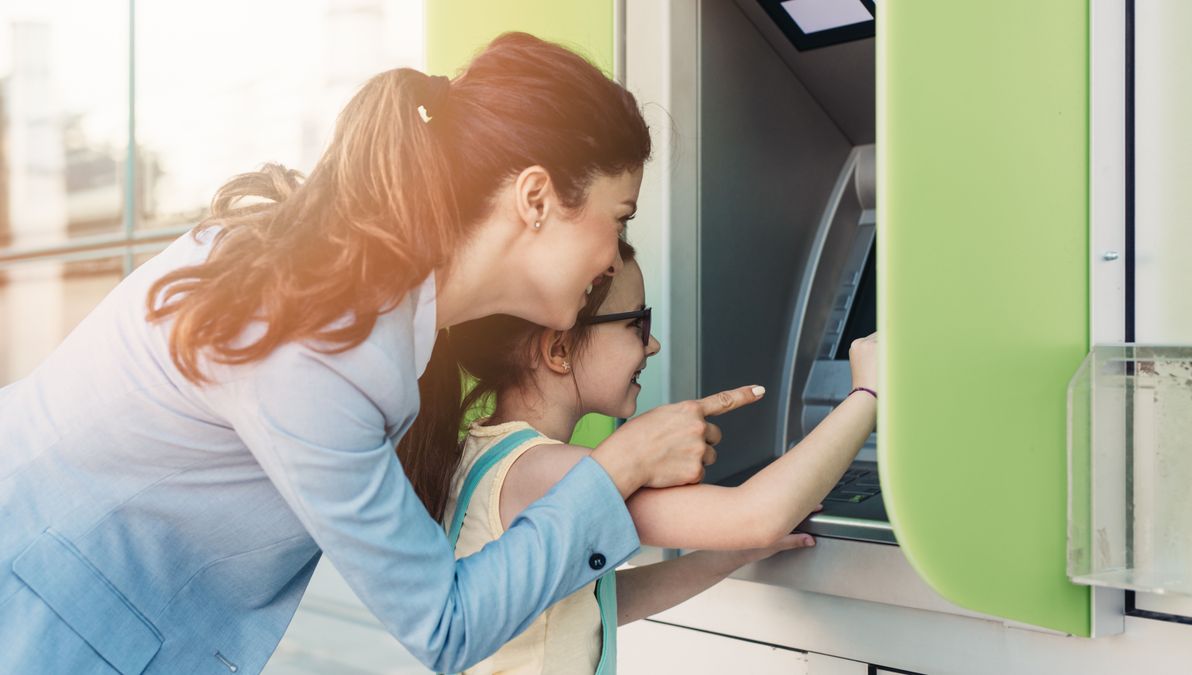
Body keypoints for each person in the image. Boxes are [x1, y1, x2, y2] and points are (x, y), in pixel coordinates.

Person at [0, 33, 761, 674]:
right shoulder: (322, 339)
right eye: (616, 217)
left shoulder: (372, 302)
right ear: (535, 199)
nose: (613, 255)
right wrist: (620, 463)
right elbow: (446, 626)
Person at [411, 241, 877, 673]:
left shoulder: (484, 453)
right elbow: (757, 514)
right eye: (638, 324)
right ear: (558, 349)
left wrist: (733, 556)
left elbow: (596, 603)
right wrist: (869, 392)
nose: (652, 344)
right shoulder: (545, 472)